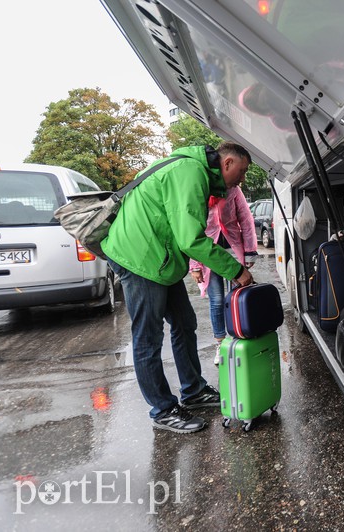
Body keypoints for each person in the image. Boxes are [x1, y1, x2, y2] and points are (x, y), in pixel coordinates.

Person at [102, 142, 254, 434]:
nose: (242, 179)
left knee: (185, 322)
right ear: (227, 163)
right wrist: (237, 271)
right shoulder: (190, 171)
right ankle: (162, 409)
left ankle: (193, 390)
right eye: (242, 171)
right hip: (140, 258)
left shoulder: (194, 169)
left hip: (161, 258)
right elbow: (191, 239)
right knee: (148, 337)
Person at [189, 184, 257, 365]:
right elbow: (191, 228)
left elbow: (245, 217)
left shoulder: (233, 189)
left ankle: (242, 337)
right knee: (217, 300)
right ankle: (220, 343)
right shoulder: (199, 186)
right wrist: (194, 265)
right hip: (208, 255)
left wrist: (250, 250)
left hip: (233, 249)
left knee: (239, 297)